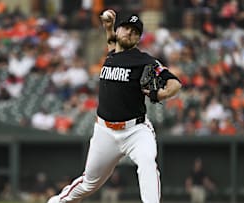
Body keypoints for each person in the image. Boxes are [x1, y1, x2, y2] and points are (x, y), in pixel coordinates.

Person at [47, 9, 182, 203]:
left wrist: (159, 93)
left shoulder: (144, 61)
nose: (130, 33)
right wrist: (108, 27)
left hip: (135, 130)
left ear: (138, 38)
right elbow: (113, 43)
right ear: (118, 31)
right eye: (126, 28)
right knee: (89, 183)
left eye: (135, 31)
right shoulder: (112, 54)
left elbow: (175, 84)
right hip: (105, 131)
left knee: (147, 162)